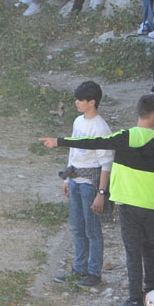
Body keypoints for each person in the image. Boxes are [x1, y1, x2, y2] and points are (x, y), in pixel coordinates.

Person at [40, 94, 154, 306]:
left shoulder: (123, 137)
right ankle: (152, 292)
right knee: (149, 246)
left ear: (138, 112)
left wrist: (60, 141)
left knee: (133, 251)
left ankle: (135, 300)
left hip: (129, 204)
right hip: (153, 205)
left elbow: (93, 143)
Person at [52, 81, 113, 287]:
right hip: (76, 179)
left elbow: (106, 163)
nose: (77, 103)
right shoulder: (78, 121)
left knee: (92, 229)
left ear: (92, 102)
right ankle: (79, 269)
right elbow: (72, 150)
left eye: (80, 100)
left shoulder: (100, 127)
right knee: (77, 227)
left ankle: (94, 271)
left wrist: (101, 192)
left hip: (90, 183)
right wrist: (68, 178)